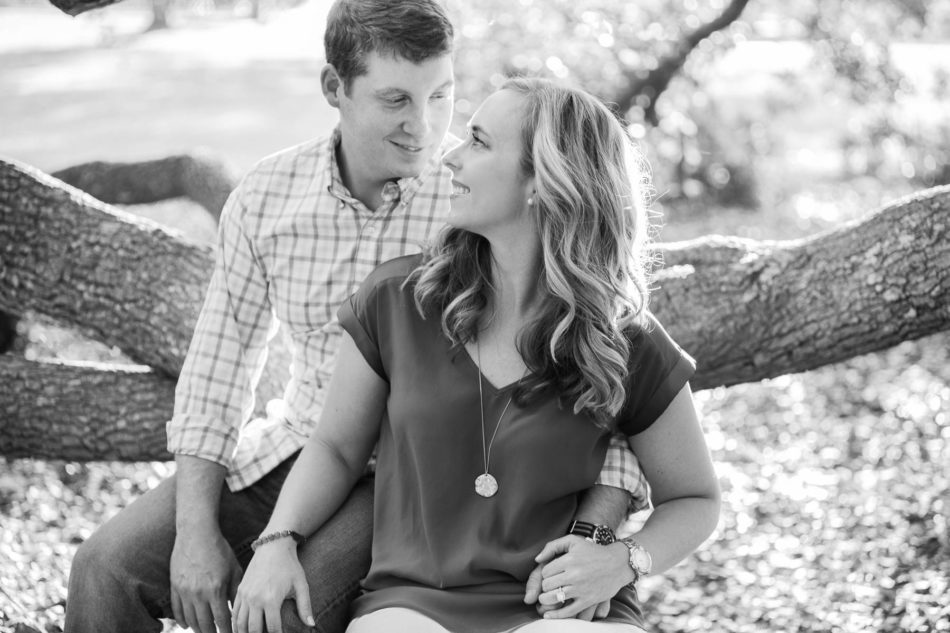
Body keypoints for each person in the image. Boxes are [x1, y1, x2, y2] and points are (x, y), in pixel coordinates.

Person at [64, 2, 650, 633]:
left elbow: (607, 373)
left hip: (416, 476)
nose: (423, 127)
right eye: (395, 99)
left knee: (285, 610)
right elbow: (218, 370)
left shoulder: (481, 199)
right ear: (333, 89)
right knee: (104, 569)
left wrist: (600, 534)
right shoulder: (267, 196)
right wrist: (193, 530)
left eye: (442, 96)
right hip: (300, 445)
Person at [232, 77, 721, 633]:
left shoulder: (622, 339)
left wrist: (624, 560)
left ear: (544, 181)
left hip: (561, 611)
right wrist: (277, 541)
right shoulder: (397, 302)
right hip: (410, 604)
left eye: (480, 143)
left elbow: (697, 497)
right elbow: (336, 448)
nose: (451, 159)